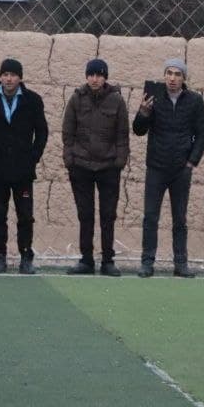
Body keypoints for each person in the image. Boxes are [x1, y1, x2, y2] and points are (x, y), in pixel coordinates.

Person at [132, 59, 204, 278]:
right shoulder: (154, 97)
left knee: (180, 219)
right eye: (169, 73)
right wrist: (143, 112)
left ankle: (181, 263)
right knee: (150, 217)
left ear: (184, 78)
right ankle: (147, 262)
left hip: (181, 169)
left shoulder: (194, 101)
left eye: (177, 74)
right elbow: (138, 130)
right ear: (164, 75)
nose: (172, 78)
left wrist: (191, 162)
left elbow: (202, 133)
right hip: (156, 167)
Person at [0, 58, 49, 274]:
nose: (8, 79)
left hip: (23, 171)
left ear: (20, 78)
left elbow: (42, 132)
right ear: (0, 76)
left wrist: (32, 158)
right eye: (5, 74)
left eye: (13, 75)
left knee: (25, 216)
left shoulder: (33, 100)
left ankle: (26, 257)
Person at [62, 58, 129, 276]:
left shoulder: (117, 101)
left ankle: (107, 260)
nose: (94, 79)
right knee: (85, 215)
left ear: (105, 77)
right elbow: (67, 132)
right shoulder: (76, 99)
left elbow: (122, 135)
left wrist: (119, 162)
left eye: (99, 75)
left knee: (108, 215)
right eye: (91, 75)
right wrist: (70, 159)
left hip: (108, 167)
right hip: (81, 166)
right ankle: (86, 260)